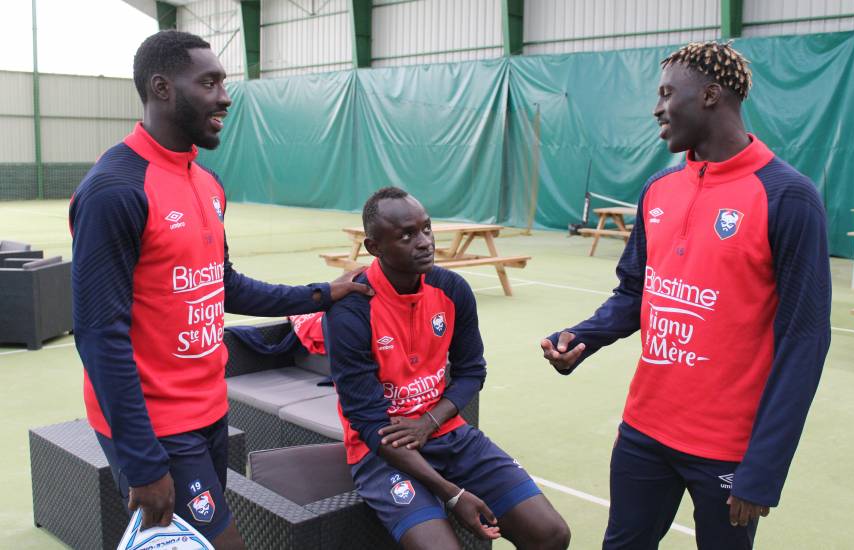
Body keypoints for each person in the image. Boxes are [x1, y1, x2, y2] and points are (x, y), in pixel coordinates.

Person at [69, 30, 371, 549]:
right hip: (156, 427)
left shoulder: (207, 184)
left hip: (210, 409)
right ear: (162, 88)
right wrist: (142, 462)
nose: (225, 97)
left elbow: (224, 286)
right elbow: (99, 336)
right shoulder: (114, 189)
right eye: (209, 83)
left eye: (223, 83)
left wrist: (322, 294)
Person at [541, 40, 831, 549]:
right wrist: (583, 337)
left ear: (712, 96)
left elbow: (804, 340)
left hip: (728, 447)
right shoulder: (658, 188)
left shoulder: (788, 196)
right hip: (643, 431)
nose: (657, 107)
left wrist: (764, 466)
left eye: (667, 93)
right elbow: (636, 291)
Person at [326, 187, 571, 550]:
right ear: (374, 247)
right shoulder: (350, 310)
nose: (424, 242)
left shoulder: (452, 289)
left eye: (426, 229)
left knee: (552, 535)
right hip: (382, 450)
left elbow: (472, 371)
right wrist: (453, 495)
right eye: (406, 235)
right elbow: (368, 422)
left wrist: (429, 422)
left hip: (447, 434)